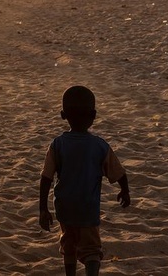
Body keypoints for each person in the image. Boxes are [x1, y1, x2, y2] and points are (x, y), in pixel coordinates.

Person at [39, 86, 130, 276]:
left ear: (63, 115)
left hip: (64, 207)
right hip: (87, 209)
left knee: (68, 244)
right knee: (91, 250)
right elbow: (119, 173)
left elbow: (46, 178)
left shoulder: (57, 144)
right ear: (94, 115)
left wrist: (43, 209)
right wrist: (124, 191)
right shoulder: (99, 146)